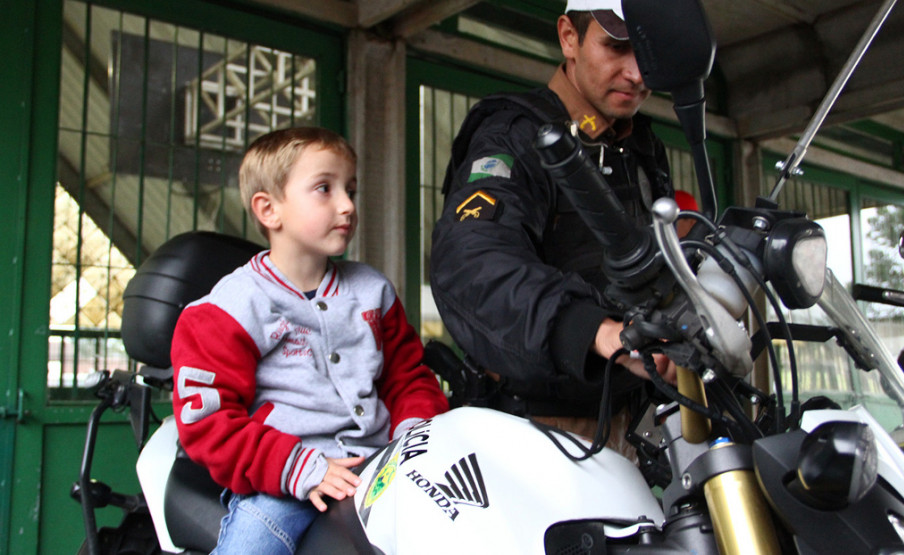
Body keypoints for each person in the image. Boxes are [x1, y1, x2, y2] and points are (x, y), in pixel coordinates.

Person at [171, 127, 449, 554]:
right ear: (269, 210)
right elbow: (210, 425)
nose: (347, 205)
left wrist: (414, 439)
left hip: (382, 466)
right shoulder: (226, 310)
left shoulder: (372, 291)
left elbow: (408, 378)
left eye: (350, 189)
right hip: (282, 483)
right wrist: (298, 466)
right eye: (325, 188)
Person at [430, 0, 677, 456]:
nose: (638, 74)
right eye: (617, 47)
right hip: (537, 431)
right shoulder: (513, 135)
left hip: (636, 420)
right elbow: (470, 263)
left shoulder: (643, 147)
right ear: (569, 37)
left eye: (648, 52)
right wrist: (594, 330)